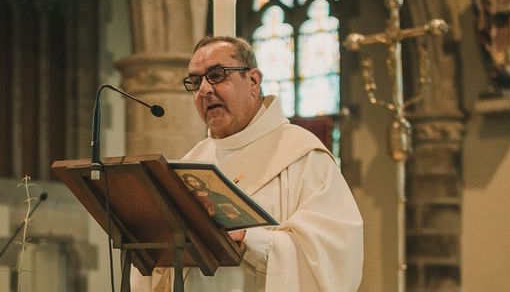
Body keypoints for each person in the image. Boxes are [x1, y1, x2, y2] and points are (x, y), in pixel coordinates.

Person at [131, 36, 363, 291]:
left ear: (253, 81)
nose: (205, 90)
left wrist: (249, 239)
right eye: (195, 82)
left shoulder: (303, 155)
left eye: (217, 75)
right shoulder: (192, 163)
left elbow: (337, 254)